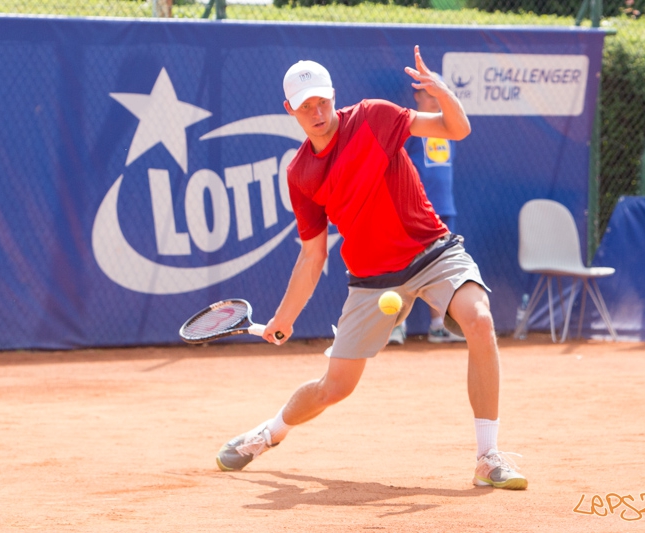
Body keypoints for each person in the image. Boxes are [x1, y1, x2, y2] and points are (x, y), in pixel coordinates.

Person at [215, 46, 528, 490]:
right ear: (291, 110)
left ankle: (487, 456)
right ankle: (268, 434)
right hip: (372, 279)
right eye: (306, 106)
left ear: (332, 95)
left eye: (322, 100)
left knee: (479, 319)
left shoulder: (375, 117)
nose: (317, 111)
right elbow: (312, 255)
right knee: (334, 388)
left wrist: (443, 94)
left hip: (431, 251)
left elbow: (456, 129)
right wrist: (284, 318)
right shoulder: (301, 174)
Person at [389, 77, 466, 345]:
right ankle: (396, 326)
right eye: (427, 93)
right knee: (402, 265)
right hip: (414, 211)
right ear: (417, 96)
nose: (433, 98)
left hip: (444, 209)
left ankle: (438, 326)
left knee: (441, 267)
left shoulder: (449, 129)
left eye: (437, 93)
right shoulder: (410, 129)